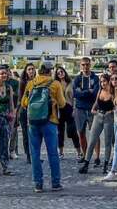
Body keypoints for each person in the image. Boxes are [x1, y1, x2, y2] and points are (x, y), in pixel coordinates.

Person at [21, 61, 67, 193]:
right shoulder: (55, 84)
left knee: (34, 153)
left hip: (33, 123)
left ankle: (38, 184)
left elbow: (24, 103)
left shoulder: (31, 83)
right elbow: (63, 104)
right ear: (49, 70)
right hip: (50, 121)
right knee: (53, 153)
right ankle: (56, 183)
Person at [80, 73, 115, 174]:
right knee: (92, 140)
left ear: (108, 81)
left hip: (108, 118)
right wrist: (93, 109)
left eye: (104, 81)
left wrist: (111, 111)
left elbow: (116, 105)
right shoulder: (100, 90)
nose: (103, 83)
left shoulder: (112, 92)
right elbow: (96, 102)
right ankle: (86, 164)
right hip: (98, 116)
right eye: (101, 81)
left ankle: (105, 165)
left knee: (108, 142)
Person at [72, 57, 100, 164]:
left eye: (87, 64)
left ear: (90, 65)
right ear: (80, 65)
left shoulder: (95, 78)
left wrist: (83, 92)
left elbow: (95, 93)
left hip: (92, 108)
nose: (85, 67)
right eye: (83, 65)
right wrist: (88, 91)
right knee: (81, 133)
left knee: (95, 133)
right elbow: (76, 94)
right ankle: (85, 155)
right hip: (80, 109)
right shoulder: (77, 79)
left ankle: (97, 157)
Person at [54, 65, 80, 159]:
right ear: (56, 75)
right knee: (60, 132)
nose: (60, 73)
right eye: (58, 73)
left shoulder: (71, 83)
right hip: (59, 109)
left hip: (69, 108)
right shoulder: (56, 84)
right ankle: (60, 152)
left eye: (62, 71)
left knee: (72, 131)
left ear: (64, 72)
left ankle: (79, 152)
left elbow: (75, 97)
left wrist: (74, 109)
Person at [17, 64, 37, 164]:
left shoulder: (37, 82)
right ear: (26, 71)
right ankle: (28, 155)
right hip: (24, 110)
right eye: (29, 69)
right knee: (26, 134)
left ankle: (34, 155)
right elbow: (20, 98)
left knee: (34, 134)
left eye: (33, 69)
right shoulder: (22, 82)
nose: (31, 71)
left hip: (35, 111)